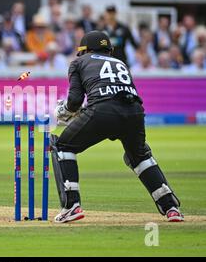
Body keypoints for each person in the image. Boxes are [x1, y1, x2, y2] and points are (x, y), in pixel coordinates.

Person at [51, 30, 183, 223]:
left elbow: (75, 101)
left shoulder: (78, 62)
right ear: (108, 50)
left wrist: (64, 110)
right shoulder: (120, 62)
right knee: (139, 156)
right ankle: (171, 207)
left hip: (103, 112)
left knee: (63, 146)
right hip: (135, 112)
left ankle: (71, 206)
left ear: (85, 49)